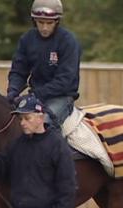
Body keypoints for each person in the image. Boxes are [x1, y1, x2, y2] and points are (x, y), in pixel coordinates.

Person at [0, 94, 76, 208]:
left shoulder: (57, 145)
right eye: (21, 119)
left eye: (27, 118)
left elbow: (67, 183)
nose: (22, 123)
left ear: (41, 117)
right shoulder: (17, 145)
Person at [6, 0, 81, 128]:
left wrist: (34, 95)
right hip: (34, 96)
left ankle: (57, 148)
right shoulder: (27, 39)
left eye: (49, 23)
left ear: (57, 21)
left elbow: (64, 81)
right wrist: (12, 92)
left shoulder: (68, 41)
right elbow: (18, 71)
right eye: (40, 22)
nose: (44, 27)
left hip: (61, 97)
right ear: (34, 20)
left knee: (44, 123)